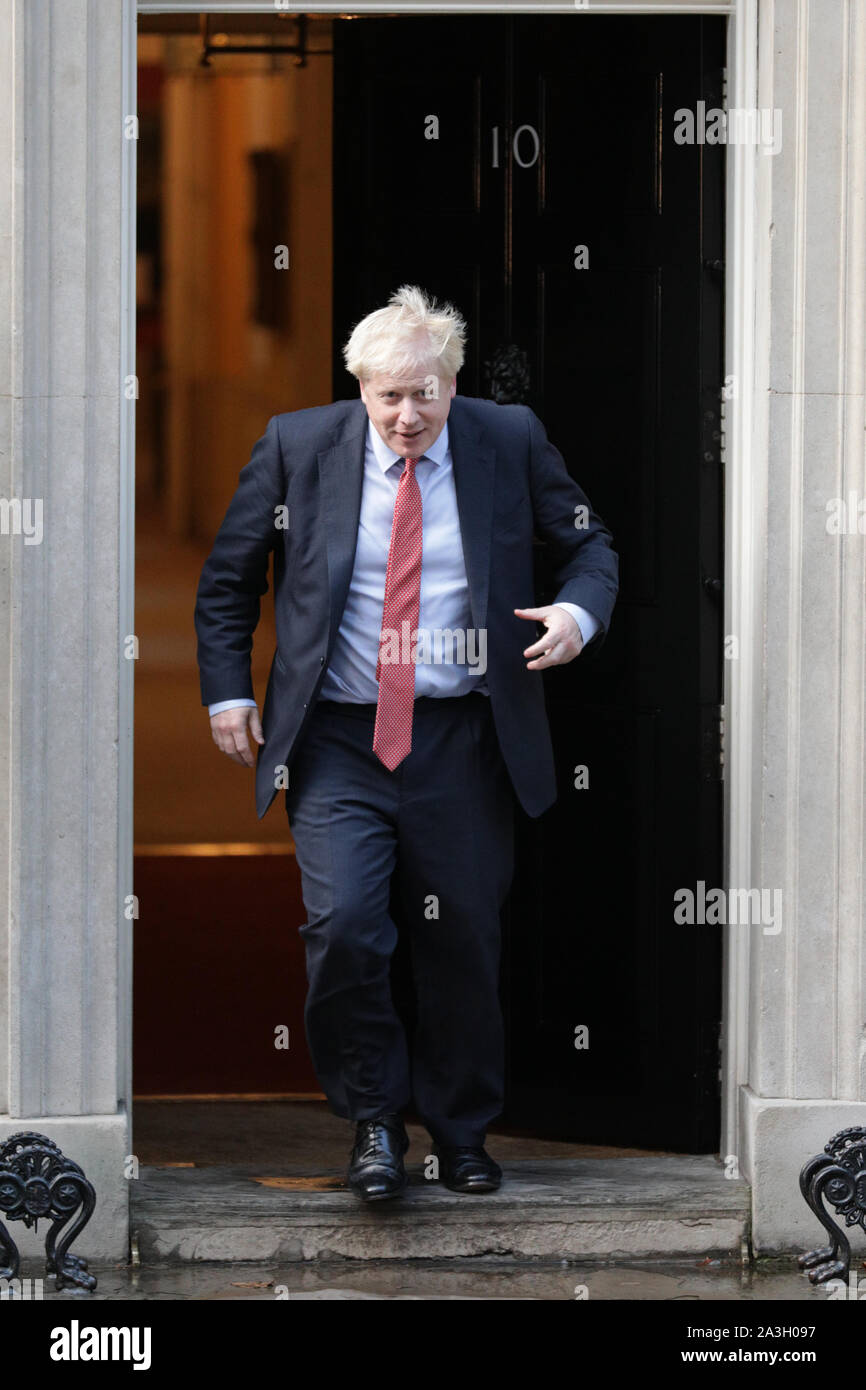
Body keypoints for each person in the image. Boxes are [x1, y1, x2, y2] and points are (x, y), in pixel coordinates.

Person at [194, 285, 618, 1201]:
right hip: (341, 737)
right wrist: (228, 691)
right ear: (359, 389)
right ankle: (375, 1124)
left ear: (453, 384)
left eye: (425, 393)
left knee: (461, 935)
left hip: (463, 738)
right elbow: (229, 579)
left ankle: (462, 1133)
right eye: (389, 396)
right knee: (347, 926)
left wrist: (580, 612)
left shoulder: (508, 440)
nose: (408, 414)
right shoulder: (297, 446)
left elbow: (591, 544)